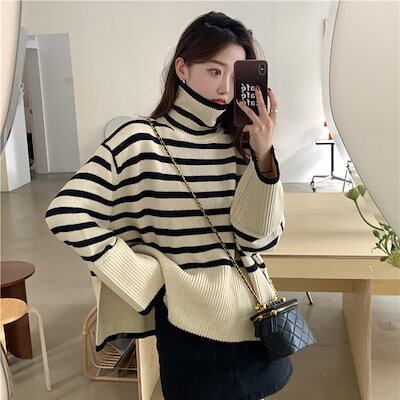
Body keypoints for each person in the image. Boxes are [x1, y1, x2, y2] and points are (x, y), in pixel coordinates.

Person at [45, 10, 293, 400]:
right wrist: (143, 277)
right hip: (189, 330)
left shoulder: (240, 144)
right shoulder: (137, 139)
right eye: (214, 71)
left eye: (236, 75)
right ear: (182, 68)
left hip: (253, 320)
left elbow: (258, 242)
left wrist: (263, 155)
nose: (225, 87)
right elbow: (66, 213)